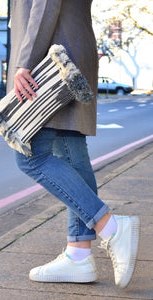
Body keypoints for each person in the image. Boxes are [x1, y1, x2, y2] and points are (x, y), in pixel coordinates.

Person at [8, 0, 140, 288]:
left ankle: (111, 227)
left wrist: (25, 61)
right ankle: (78, 256)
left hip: (50, 60)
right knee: (71, 152)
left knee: (31, 156)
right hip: (70, 47)